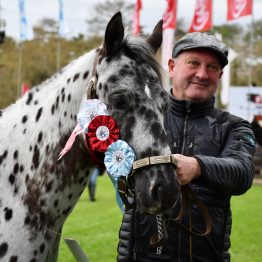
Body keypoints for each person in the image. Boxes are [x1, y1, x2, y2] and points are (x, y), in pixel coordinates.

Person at [117, 32, 256, 261]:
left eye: (212, 67)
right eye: (193, 63)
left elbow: (242, 172)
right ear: (171, 67)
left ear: (220, 75)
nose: (202, 74)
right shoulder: (140, 116)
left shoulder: (234, 127)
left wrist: (198, 167)